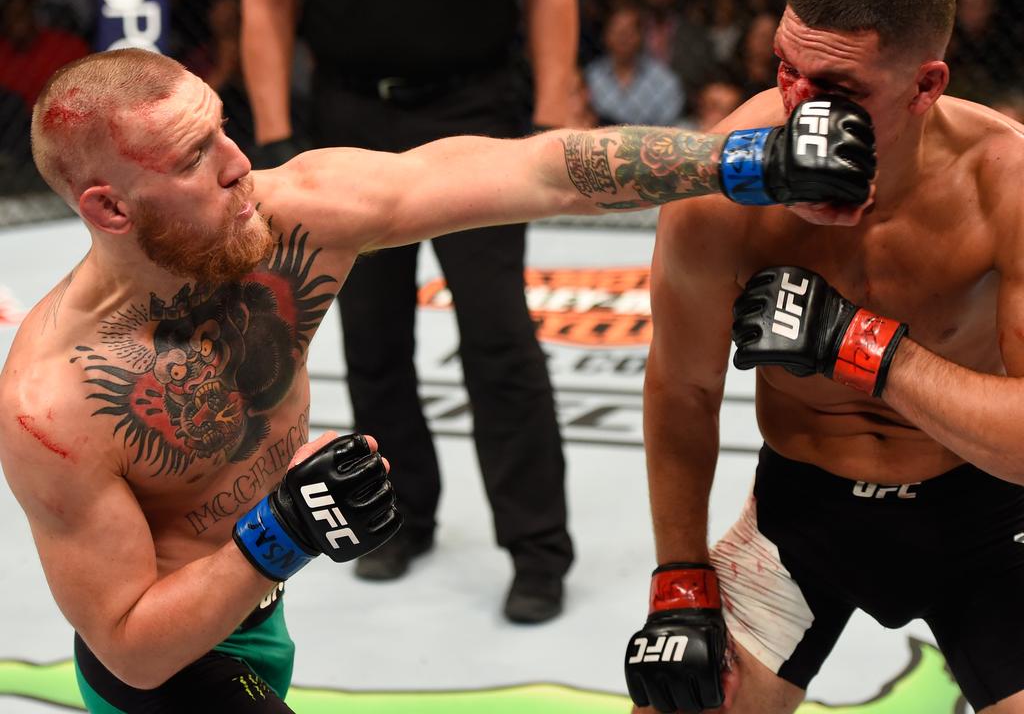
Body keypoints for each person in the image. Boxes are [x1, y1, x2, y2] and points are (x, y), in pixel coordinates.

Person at [0, 47, 872, 711]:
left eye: (224, 127)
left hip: (254, 616)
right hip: (175, 668)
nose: (237, 163)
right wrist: (281, 532)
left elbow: (534, 170)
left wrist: (743, 163)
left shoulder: (288, 215)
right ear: (109, 209)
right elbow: (131, 647)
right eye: (194, 157)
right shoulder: (53, 404)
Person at [623, 0, 1024, 713]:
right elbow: (682, 386)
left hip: (990, 522)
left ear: (925, 86)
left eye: (837, 88)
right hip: (803, 517)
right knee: (677, 702)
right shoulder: (725, 186)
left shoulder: (1006, 184)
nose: (799, 108)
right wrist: (680, 584)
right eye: (785, 68)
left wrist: (867, 349)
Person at [240, 0, 579, 625]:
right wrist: (275, 137)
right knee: (372, 334)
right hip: (351, 113)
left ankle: (537, 548)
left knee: (499, 332)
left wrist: (549, 115)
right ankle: (400, 517)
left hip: (477, 105)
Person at [585, 4, 684, 127]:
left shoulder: (664, 80)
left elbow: (670, 129)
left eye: (628, 32)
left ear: (641, 36)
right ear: (605, 35)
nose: (623, 39)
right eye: (617, 32)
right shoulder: (590, 77)